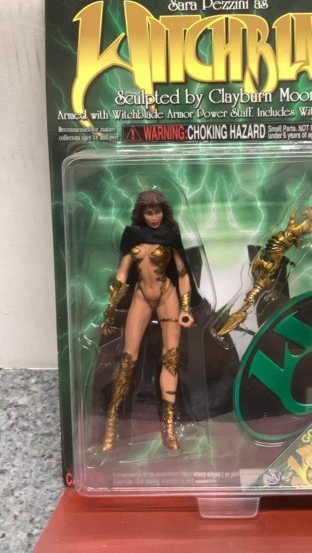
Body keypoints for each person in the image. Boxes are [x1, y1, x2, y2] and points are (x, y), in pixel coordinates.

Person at [101, 188, 194, 451]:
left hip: (167, 296)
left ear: (164, 212)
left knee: (171, 358)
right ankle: (111, 425)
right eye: (149, 212)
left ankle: (169, 426)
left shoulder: (169, 236)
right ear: (141, 214)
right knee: (127, 359)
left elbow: (182, 272)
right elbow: (122, 274)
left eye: (158, 212)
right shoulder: (133, 236)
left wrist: (186, 308)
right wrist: (111, 309)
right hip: (141, 296)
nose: (154, 218)